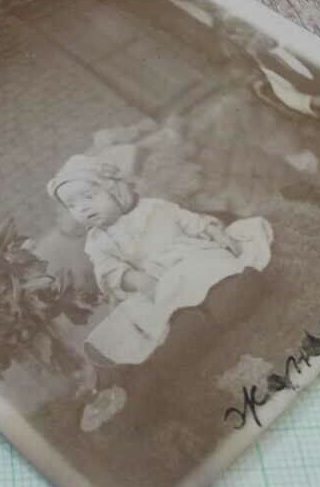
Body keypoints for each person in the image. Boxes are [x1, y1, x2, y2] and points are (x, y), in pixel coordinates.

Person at [46, 154, 273, 430]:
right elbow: (108, 272)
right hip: (156, 284)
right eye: (72, 205)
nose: (83, 208)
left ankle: (227, 300)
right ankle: (154, 370)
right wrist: (134, 278)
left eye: (89, 196)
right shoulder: (98, 242)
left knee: (225, 279)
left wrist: (217, 233)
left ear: (115, 188)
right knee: (149, 325)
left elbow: (192, 222)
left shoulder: (155, 207)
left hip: (195, 263)